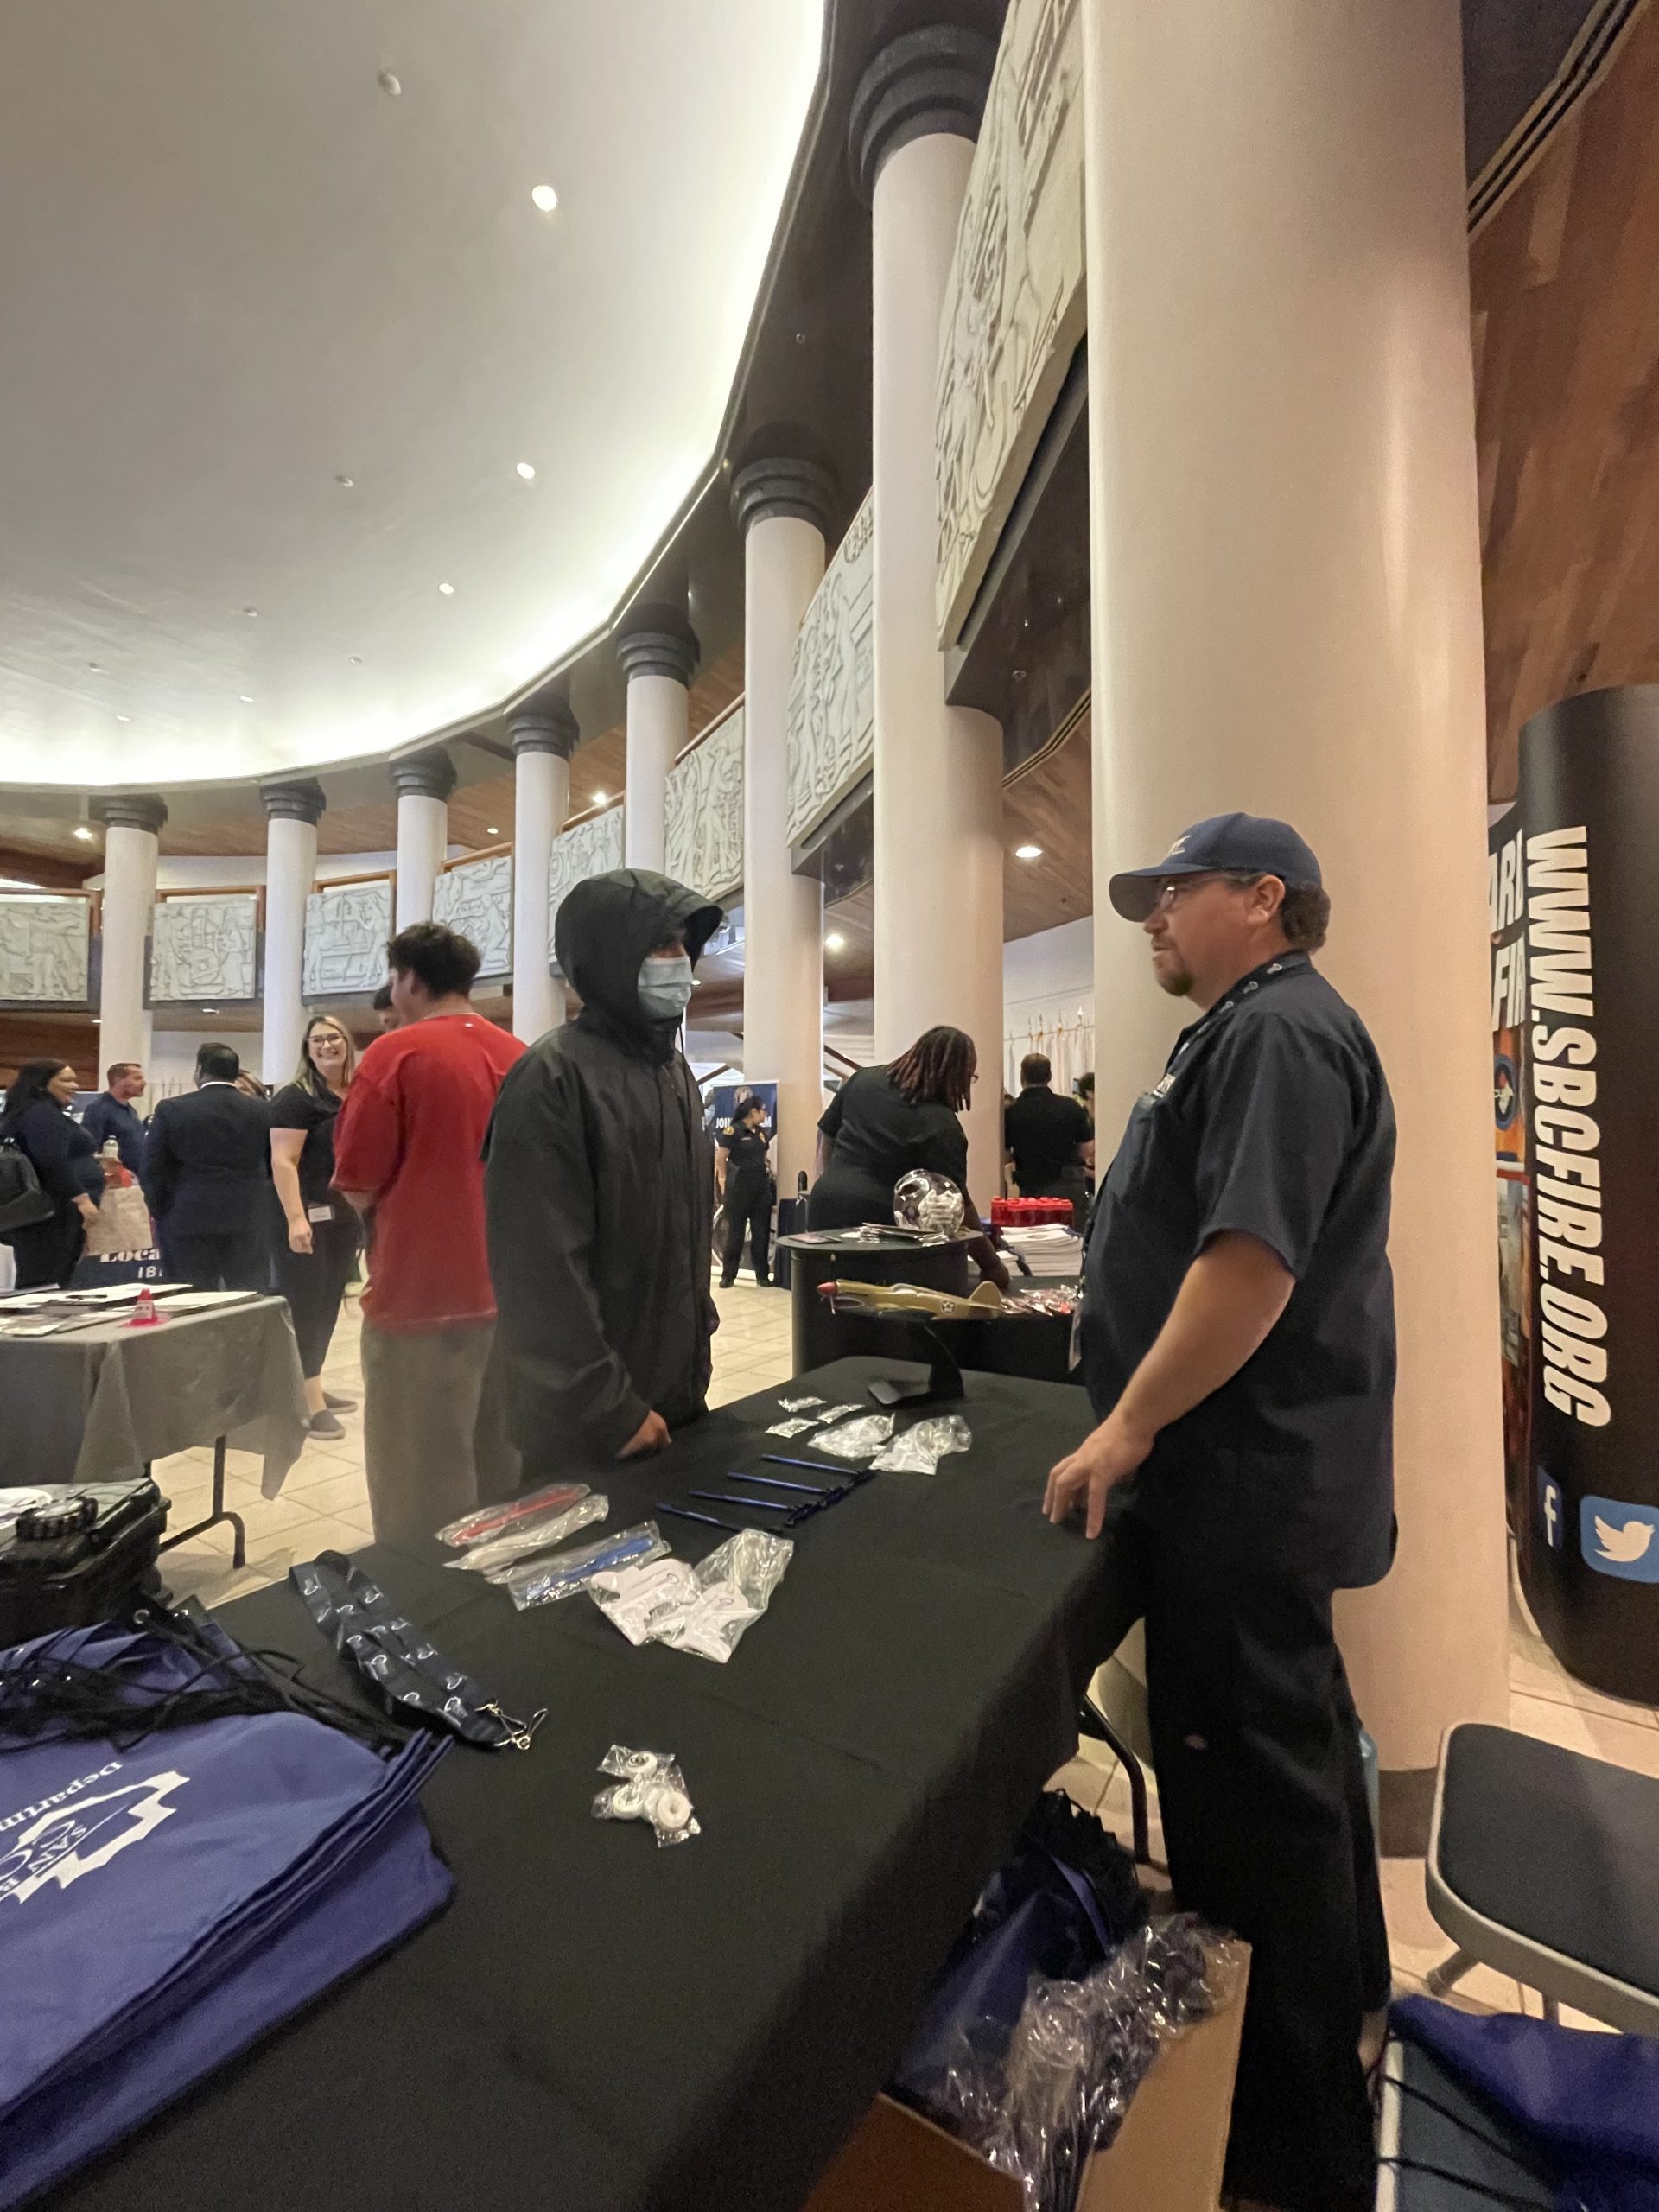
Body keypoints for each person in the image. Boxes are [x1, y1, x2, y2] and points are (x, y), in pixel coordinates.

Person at [1044, 813, 1395, 2212]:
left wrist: (1131, 1420)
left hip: (1241, 1493)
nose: (1151, 916)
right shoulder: (1248, 1028)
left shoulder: (1276, 1033)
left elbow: (1248, 1265)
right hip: (1249, 1489)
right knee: (1294, 1776)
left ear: (1263, 896)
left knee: (1257, 1811)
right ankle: (1337, 2046)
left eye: (1173, 891)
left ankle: (1290, 2146)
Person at [485, 868, 722, 1466]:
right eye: (659, 945)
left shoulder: (672, 1073)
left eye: (681, 945)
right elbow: (540, 1270)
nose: (679, 962)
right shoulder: (552, 1077)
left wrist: (699, 1337)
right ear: (608, 956)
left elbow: (681, 1228)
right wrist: (606, 1408)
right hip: (593, 1423)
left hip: (672, 1394)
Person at [334, 921, 523, 1541]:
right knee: (501, 1466)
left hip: (421, 1295)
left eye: (393, 980)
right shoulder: (518, 1054)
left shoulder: (396, 1053)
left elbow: (358, 1178)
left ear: (409, 979)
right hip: (511, 1290)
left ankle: (428, 1612)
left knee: (419, 1486)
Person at [807, 1027, 1007, 1286]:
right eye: (970, 1077)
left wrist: (826, 1175)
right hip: (879, 1222)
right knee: (871, 1307)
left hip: (824, 1205)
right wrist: (991, 1264)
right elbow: (958, 1208)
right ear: (955, 1075)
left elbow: (826, 1132)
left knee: (824, 1300)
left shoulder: (862, 1081)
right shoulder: (941, 1124)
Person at [270, 1013, 362, 1442]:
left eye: (334, 1038)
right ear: (307, 1049)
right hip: (305, 1214)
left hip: (343, 1215)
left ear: (347, 1042)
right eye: (318, 1040)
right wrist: (295, 1218)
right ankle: (308, 1401)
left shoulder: (353, 1092)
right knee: (307, 1304)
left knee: (328, 1303)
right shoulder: (297, 1097)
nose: (327, 1046)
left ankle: (313, 1383)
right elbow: (283, 1161)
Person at [140, 1043, 271, 1290]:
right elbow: (273, 1162)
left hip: (188, 1215)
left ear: (199, 1071)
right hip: (249, 1216)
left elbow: (152, 1167)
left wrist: (162, 1210)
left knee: (191, 1298)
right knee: (248, 1297)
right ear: (236, 1073)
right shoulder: (262, 1111)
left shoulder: (173, 1109)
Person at [0, 1060, 103, 1287]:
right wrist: (82, 1199)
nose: (75, 1086)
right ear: (41, 1084)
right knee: (45, 1278)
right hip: (50, 1212)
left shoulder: (37, 1112)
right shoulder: (41, 1114)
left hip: (48, 1210)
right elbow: (51, 1161)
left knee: (51, 1275)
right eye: (66, 1080)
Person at [1004, 1052, 1095, 1218]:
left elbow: (1005, 1154)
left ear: (1022, 1077)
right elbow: (1087, 1149)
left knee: (1035, 1237)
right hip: (1068, 1186)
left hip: (1031, 1187)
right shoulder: (1070, 1107)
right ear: (1050, 1076)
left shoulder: (1012, 1112)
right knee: (1072, 1238)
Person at [717, 1093, 775, 1287]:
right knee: (735, 1233)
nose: (766, 1114)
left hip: (760, 1188)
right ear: (754, 1111)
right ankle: (728, 1275)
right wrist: (723, 1179)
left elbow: (764, 1156)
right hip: (739, 1187)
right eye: (763, 1111)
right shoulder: (733, 1131)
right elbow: (721, 1158)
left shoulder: (760, 1133)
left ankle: (762, 1275)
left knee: (761, 1233)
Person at [79, 1061, 147, 1176]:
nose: (144, 1083)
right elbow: (89, 1149)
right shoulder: (98, 1109)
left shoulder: (130, 1110)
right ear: (118, 1080)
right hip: (115, 1182)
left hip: (136, 1179)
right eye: (137, 1078)